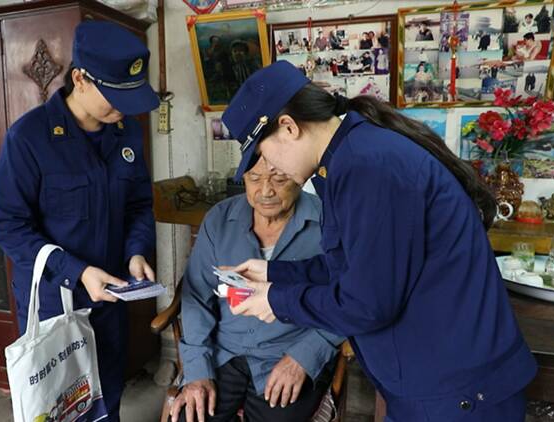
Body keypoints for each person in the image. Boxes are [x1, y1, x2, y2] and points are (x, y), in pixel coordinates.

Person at [220, 60, 537, 421]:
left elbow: (368, 303)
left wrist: (276, 300)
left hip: (457, 394)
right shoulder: (351, 156)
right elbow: (357, 264)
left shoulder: (367, 167)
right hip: (432, 382)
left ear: (289, 127)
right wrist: (274, 273)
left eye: (263, 153)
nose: (270, 168)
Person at [0, 21, 158, 422]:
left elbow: (138, 205)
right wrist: (77, 272)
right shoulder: (29, 138)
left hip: (110, 299)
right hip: (54, 305)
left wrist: (135, 253)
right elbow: (8, 226)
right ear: (80, 78)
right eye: (115, 96)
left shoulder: (126, 133)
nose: (125, 108)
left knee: (107, 399)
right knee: (61, 409)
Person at [169, 157, 343, 422]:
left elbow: (348, 298)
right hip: (223, 352)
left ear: (299, 176)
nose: (265, 191)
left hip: (288, 351)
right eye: (254, 178)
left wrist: (305, 357)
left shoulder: (330, 222)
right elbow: (197, 299)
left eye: (279, 179)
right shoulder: (219, 219)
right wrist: (197, 371)